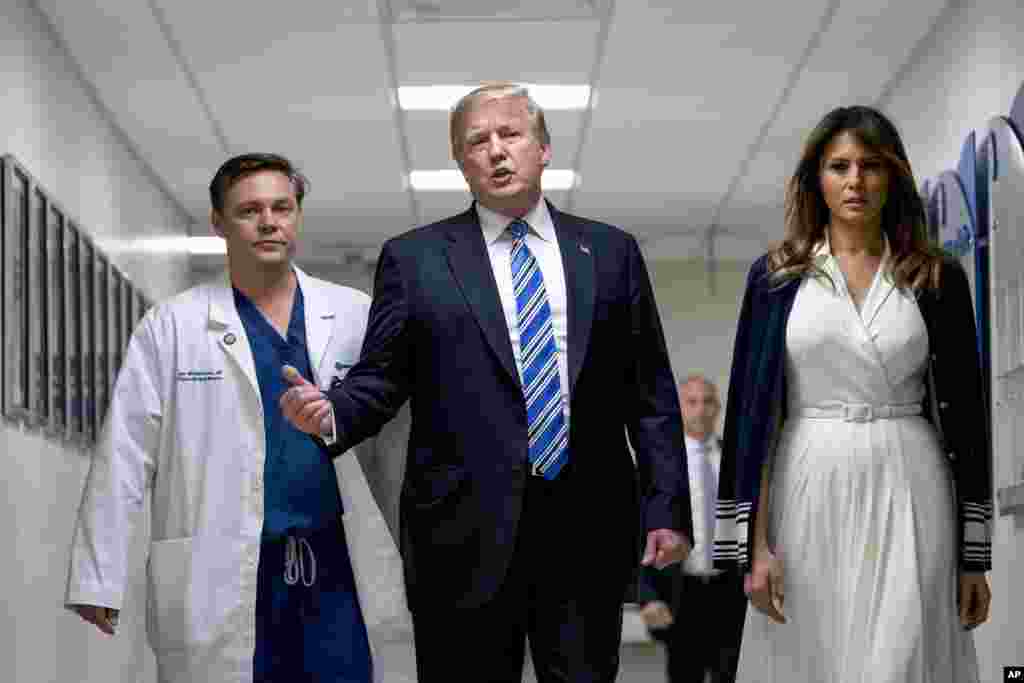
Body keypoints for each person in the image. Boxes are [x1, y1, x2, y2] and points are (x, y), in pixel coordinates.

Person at [280, 82, 692, 683]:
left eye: (511, 134)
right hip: (460, 534)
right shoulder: (416, 260)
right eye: (477, 141)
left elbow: (650, 392)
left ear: (543, 149)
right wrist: (333, 413)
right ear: (460, 161)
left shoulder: (610, 253)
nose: (496, 150)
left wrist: (667, 507)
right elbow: (382, 378)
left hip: (587, 527)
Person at [64, 153, 410, 683]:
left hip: (337, 565)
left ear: (297, 216)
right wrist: (98, 574)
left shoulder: (354, 313)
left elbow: (398, 435)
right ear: (219, 223)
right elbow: (124, 453)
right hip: (220, 565)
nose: (269, 222)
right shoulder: (173, 326)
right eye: (250, 210)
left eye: (282, 208)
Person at [714, 105, 993, 682]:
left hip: (912, 481)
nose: (856, 181)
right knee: (815, 657)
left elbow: (968, 418)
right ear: (816, 179)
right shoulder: (776, 277)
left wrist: (974, 558)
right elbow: (750, 415)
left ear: (893, 176)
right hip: (806, 480)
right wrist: (754, 548)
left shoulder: (937, 277)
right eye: (839, 166)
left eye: (871, 165)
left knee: (902, 657)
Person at [638, 375, 746, 683]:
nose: (701, 409)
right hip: (681, 592)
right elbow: (641, 532)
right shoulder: (662, 467)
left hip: (730, 591)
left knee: (732, 674)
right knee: (684, 675)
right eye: (692, 402)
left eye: (708, 401)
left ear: (718, 408)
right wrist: (647, 595)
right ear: (679, 408)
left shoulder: (735, 461)